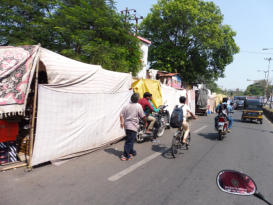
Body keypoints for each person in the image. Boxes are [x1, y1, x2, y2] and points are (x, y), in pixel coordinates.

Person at [120, 93, 145, 161]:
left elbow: (121, 114)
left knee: (131, 139)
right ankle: (125, 155)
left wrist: (122, 123)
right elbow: (142, 116)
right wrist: (145, 122)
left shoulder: (126, 105)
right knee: (129, 141)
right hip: (133, 126)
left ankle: (131, 152)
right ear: (137, 99)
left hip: (127, 125)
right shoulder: (138, 106)